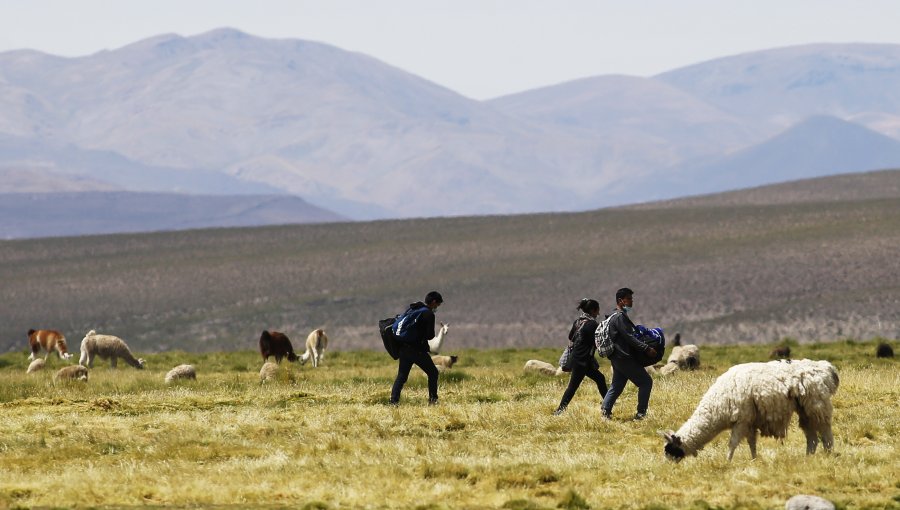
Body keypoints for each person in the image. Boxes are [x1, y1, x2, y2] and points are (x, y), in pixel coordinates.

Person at [601, 288, 657, 421]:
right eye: (629, 299)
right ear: (621, 301)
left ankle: (605, 411)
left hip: (617, 357)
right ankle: (641, 414)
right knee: (646, 382)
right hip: (624, 357)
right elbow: (629, 337)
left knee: (617, 385)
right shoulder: (620, 317)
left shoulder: (614, 316)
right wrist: (646, 348)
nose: (632, 301)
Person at [553, 298, 609, 415]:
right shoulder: (592, 324)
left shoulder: (578, 321)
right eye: (597, 310)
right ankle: (560, 410)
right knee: (573, 387)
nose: (598, 313)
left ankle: (608, 403)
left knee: (600, 379)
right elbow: (598, 340)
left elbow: (570, 337)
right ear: (593, 310)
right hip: (582, 361)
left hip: (579, 358)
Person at [389, 291, 443, 405]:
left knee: (402, 376)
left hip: (404, 348)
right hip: (417, 350)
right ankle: (433, 401)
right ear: (433, 302)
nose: (437, 307)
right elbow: (430, 335)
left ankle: (393, 401)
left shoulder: (414, 309)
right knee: (433, 373)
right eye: (437, 305)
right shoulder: (428, 314)